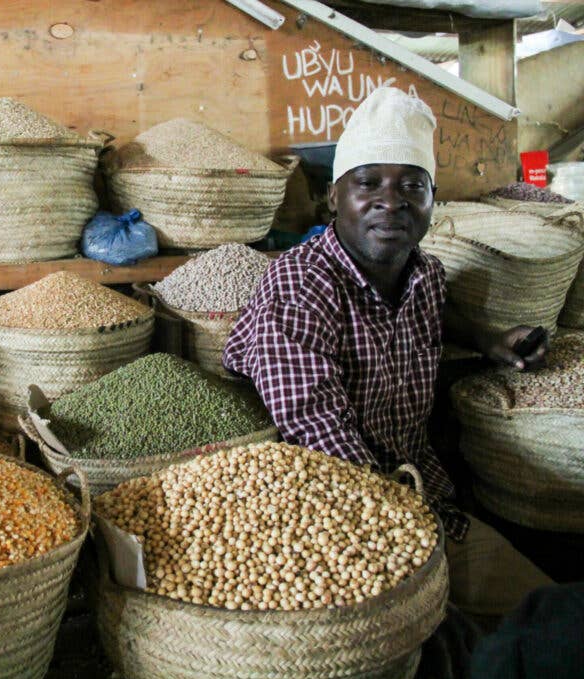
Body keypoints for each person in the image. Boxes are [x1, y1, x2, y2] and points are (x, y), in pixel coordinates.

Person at [222, 87, 551, 622]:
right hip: (325, 516)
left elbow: (430, 311)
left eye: (411, 186)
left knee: (547, 615)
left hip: (423, 494)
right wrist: (402, 523)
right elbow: (312, 423)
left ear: (431, 199)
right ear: (334, 197)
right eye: (368, 183)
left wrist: (488, 339)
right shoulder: (300, 282)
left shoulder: (424, 274)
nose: (391, 201)